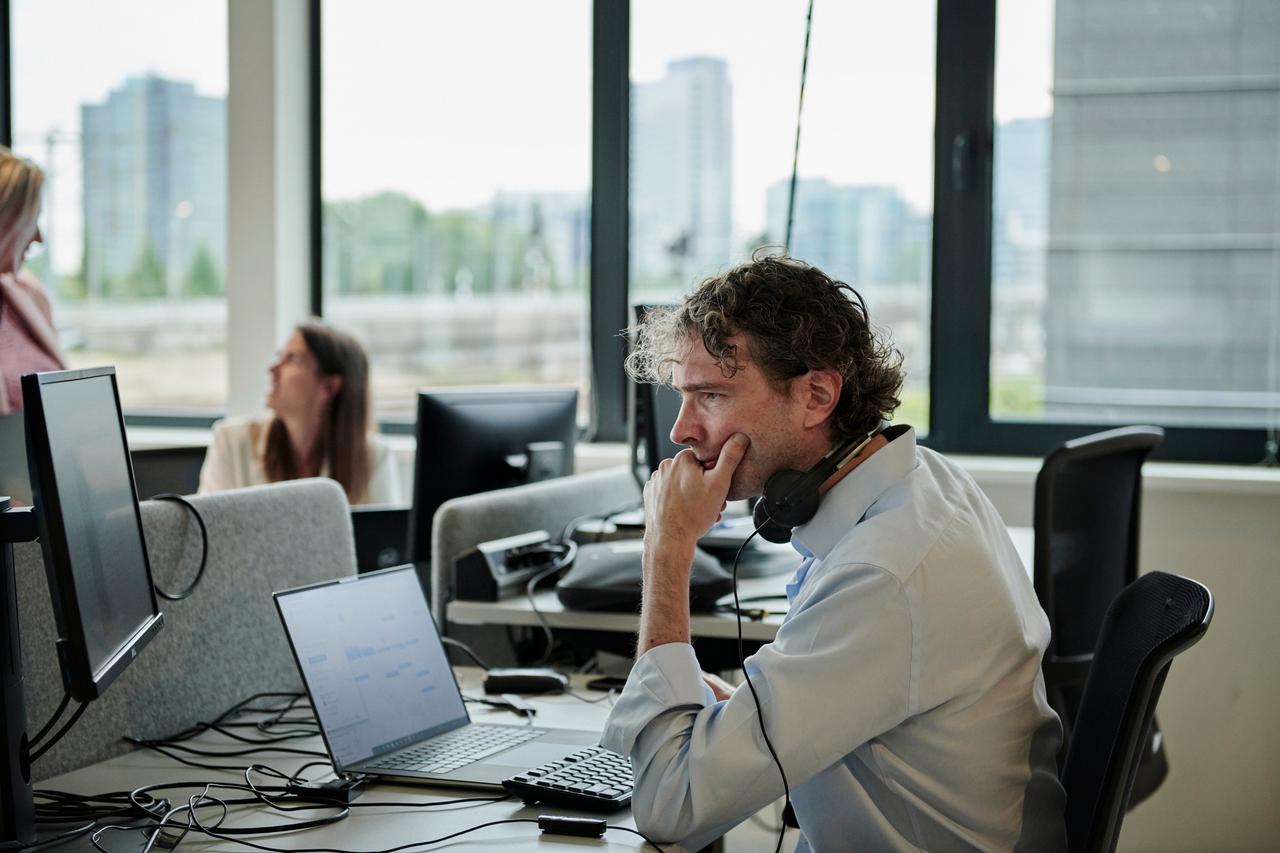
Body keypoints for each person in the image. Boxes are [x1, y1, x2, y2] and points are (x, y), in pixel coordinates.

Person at [601, 253, 1066, 851]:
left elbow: (671, 805)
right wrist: (748, 708)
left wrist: (666, 549)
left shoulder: (882, 576)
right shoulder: (919, 482)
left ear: (816, 394)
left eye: (711, 395)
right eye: (684, 397)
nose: (682, 431)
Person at [198, 321, 402, 505]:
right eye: (280, 356)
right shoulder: (232, 442)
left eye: (292, 359)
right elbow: (208, 536)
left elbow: (384, 542)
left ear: (329, 388)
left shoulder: (374, 457)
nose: (273, 369)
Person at [1, 148, 66, 505]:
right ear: (7, 218)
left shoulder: (30, 295)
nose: (38, 237)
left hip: (45, 500)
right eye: (32, 219)